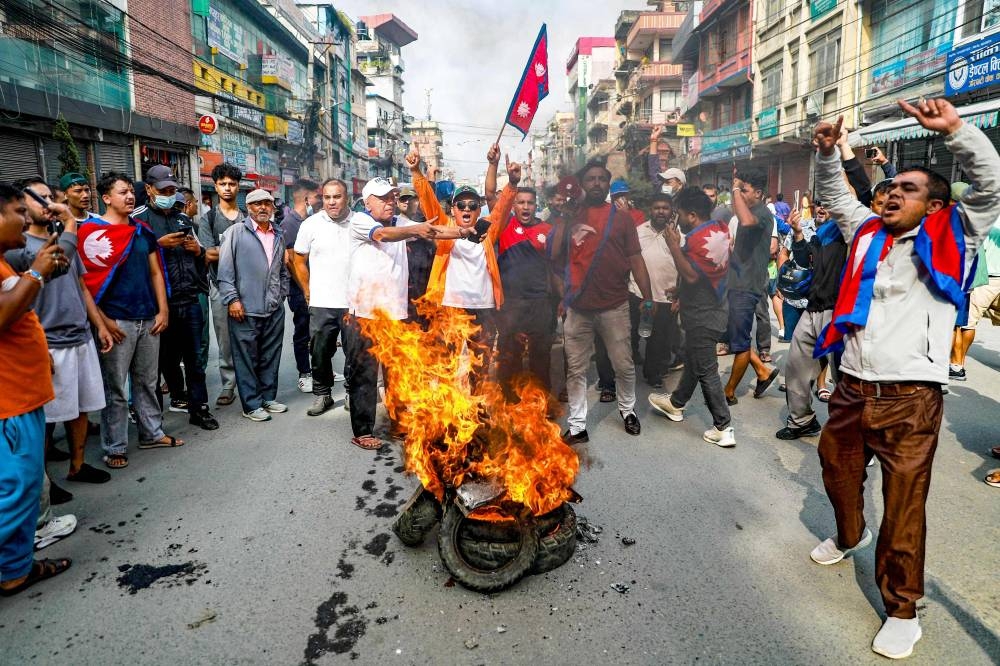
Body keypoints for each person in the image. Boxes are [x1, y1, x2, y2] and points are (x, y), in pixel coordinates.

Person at [809, 99, 1000, 659]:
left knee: (903, 507)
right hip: (849, 387)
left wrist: (958, 132)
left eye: (908, 189)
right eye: (889, 187)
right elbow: (837, 194)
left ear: (936, 204)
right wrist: (826, 153)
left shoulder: (955, 236)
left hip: (910, 400)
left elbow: (990, 185)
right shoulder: (866, 231)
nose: (891, 193)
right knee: (836, 474)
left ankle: (901, 608)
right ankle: (849, 536)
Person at [5, 177, 112, 487]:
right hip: (49, 341)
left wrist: (98, 325)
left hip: (79, 334)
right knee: (45, 420)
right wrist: (69, 224)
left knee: (80, 407)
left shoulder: (62, 239)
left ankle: (78, 465)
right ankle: (43, 484)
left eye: (49, 197)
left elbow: (79, 285)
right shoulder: (18, 247)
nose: (47, 204)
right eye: (39, 199)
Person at [0, 182, 74, 597]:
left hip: (22, 395)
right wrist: (36, 273)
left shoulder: (6, 262)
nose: (26, 219)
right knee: (15, 489)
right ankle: (11, 568)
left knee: (23, 486)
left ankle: (15, 566)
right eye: (17, 211)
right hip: (7, 403)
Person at [79, 173, 180, 469]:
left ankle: (151, 432)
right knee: (116, 390)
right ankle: (115, 445)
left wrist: (163, 310)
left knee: (147, 382)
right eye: (122, 192)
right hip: (116, 321)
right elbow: (85, 282)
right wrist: (102, 320)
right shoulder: (89, 233)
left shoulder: (142, 231)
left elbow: (155, 273)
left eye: (130, 192)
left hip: (148, 318)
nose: (129, 196)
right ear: (106, 198)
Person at [550, 159, 654, 443]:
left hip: (615, 305)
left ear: (607, 184)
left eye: (601, 179)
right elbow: (555, 254)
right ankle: (577, 425)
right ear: (582, 185)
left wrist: (647, 296)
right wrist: (564, 217)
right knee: (577, 368)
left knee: (624, 364)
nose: (596, 183)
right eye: (591, 179)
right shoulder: (571, 216)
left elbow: (635, 258)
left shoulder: (621, 218)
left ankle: (627, 410)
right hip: (578, 308)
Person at [412, 148, 519, 390]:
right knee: (449, 368)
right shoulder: (445, 229)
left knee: (480, 369)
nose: (467, 209)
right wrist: (416, 172)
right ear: (453, 210)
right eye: (461, 205)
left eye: (472, 205)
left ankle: (478, 418)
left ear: (479, 210)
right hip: (451, 310)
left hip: (484, 310)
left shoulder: (488, 231)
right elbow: (428, 201)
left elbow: (502, 207)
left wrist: (512, 183)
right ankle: (450, 420)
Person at [344, 177, 438, 450]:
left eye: (392, 197)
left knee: (398, 373)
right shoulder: (360, 221)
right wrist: (419, 230)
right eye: (383, 198)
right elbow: (383, 236)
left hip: (396, 314)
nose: (389, 202)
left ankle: (399, 422)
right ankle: (362, 431)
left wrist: (463, 232)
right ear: (368, 200)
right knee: (365, 375)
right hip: (365, 314)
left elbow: (434, 231)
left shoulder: (402, 223)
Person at [648, 186, 734, 446]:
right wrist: (681, 292)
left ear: (693, 215)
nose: (678, 220)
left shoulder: (695, 239)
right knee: (694, 359)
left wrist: (674, 246)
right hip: (716, 309)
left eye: (680, 214)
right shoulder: (720, 228)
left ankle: (723, 426)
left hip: (702, 316)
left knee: (706, 369)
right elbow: (704, 275)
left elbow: (692, 274)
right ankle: (676, 403)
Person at [133, 165, 217, 430]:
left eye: (172, 190)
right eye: (164, 191)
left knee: (194, 360)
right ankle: (152, 421)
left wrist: (197, 250)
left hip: (189, 299)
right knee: (157, 365)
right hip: (158, 305)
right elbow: (128, 261)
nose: (169, 195)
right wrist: (158, 245)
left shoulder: (183, 220)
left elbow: (202, 258)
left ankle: (199, 409)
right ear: (149, 190)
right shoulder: (138, 219)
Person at [216, 189, 289, 422]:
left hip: (273, 307)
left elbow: (283, 270)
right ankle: (251, 404)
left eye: (267, 203)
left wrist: (281, 295)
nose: (262, 208)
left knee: (270, 355)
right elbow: (224, 272)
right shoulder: (235, 232)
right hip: (244, 308)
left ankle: (268, 397)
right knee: (246, 357)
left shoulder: (278, 233)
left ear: (272, 207)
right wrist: (233, 300)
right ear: (249, 208)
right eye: (257, 204)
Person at [774, 205, 846, 440]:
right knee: (795, 366)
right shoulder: (822, 232)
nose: (823, 207)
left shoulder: (853, 231)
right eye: (820, 203)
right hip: (813, 307)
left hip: (839, 312)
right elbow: (807, 261)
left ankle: (854, 436)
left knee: (844, 376)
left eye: (830, 202)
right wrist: (797, 234)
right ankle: (802, 421)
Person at [292, 179, 352, 417]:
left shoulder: (359, 222)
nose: (331, 202)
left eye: (336, 196)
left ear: (345, 197)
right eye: (327, 197)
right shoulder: (310, 225)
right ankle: (322, 394)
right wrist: (307, 290)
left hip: (353, 303)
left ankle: (350, 392)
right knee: (319, 352)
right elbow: (298, 260)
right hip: (321, 302)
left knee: (353, 352)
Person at [722, 170, 779, 404]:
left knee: (741, 342)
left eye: (745, 190)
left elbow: (745, 220)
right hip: (737, 282)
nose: (740, 194)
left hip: (747, 286)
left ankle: (729, 391)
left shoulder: (763, 214)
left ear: (758, 193)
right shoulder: (749, 212)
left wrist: (734, 188)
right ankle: (763, 372)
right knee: (738, 337)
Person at [495, 185, 555, 394]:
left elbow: (556, 268)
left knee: (540, 358)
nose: (526, 207)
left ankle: (541, 405)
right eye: (521, 202)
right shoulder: (505, 225)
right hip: (511, 305)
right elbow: (489, 195)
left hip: (539, 303)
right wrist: (499, 171)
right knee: (510, 358)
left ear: (536, 206)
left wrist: (560, 300)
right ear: (513, 206)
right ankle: (510, 404)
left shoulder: (547, 231)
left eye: (530, 202)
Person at [197, 163, 245, 407]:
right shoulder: (209, 219)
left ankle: (250, 381)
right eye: (223, 184)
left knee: (249, 335)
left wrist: (223, 248)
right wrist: (238, 249)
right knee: (224, 337)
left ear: (238, 187)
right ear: (215, 187)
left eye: (232, 184)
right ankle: (229, 384)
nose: (227, 188)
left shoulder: (247, 217)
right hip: (218, 285)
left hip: (247, 285)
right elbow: (208, 253)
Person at [628, 193, 681, 388]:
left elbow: (683, 266)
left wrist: (680, 295)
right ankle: (624, 373)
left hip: (666, 295)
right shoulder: (637, 232)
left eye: (665, 208)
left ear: (671, 211)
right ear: (650, 210)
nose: (660, 211)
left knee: (658, 338)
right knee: (632, 332)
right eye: (657, 207)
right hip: (638, 293)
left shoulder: (678, 235)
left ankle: (653, 373)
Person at [279, 178, 321, 394]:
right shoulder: (290, 223)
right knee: (303, 331)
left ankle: (319, 369)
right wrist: (305, 289)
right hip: (300, 291)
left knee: (318, 332)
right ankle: (304, 373)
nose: (320, 201)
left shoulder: (312, 221)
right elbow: (291, 261)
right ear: (306, 199)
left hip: (316, 289)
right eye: (317, 197)